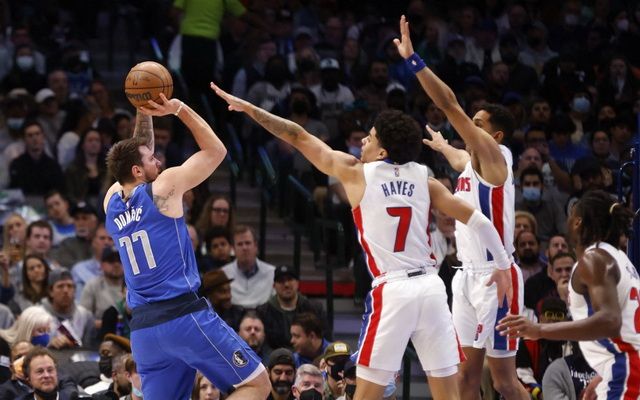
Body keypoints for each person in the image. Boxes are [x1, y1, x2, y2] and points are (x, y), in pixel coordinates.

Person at [211, 55, 513, 400]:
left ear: (383, 151)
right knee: (449, 396)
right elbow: (478, 218)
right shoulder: (424, 178)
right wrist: (503, 264)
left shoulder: (356, 173)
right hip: (431, 289)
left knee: (364, 394)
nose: (362, 143)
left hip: (394, 289)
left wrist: (250, 109)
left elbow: (297, 135)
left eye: (369, 138)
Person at [394, 16, 527, 400]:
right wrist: (441, 146)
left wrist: (414, 61)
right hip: (466, 276)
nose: (470, 125)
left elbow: (449, 104)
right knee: (464, 377)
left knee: (503, 381)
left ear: (495, 136)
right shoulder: (473, 162)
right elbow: (458, 158)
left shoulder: (495, 157)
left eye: (478, 123)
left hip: (497, 275)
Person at [103, 95, 270, 399]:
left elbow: (137, 152)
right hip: (182, 316)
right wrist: (178, 108)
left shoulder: (111, 200)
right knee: (256, 384)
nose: (159, 161)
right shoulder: (164, 186)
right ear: (138, 171)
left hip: (143, 332)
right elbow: (216, 151)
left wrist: (144, 109)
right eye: (152, 159)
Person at [498, 190, 640, 399]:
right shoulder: (620, 259)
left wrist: (539, 329)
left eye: (570, 215)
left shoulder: (594, 259)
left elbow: (610, 321)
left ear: (577, 222)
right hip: (623, 366)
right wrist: (603, 374)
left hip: (626, 370)